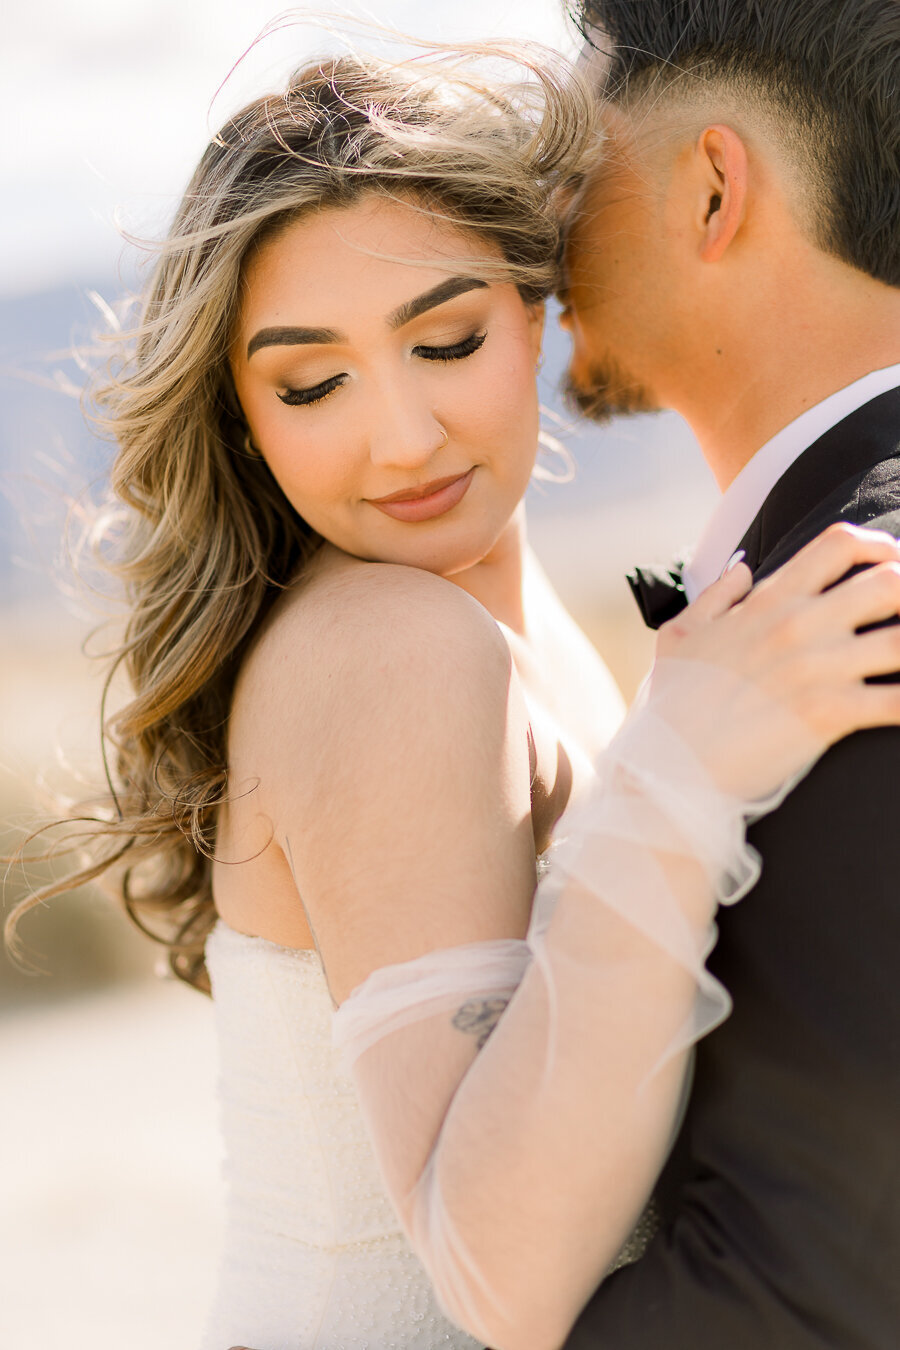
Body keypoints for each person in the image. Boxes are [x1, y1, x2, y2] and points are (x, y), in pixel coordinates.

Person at [8, 39, 899, 1350]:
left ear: (534, 314)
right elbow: (505, 1280)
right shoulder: (391, 645)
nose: (404, 437)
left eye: (445, 337)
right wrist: (686, 763)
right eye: (312, 382)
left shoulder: (535, 633)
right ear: (244, 415)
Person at [555, 2, 900, 1347]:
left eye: (570, 169)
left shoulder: (858, 611)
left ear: (711, 187)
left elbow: (815, 1288)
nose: (534, 233)